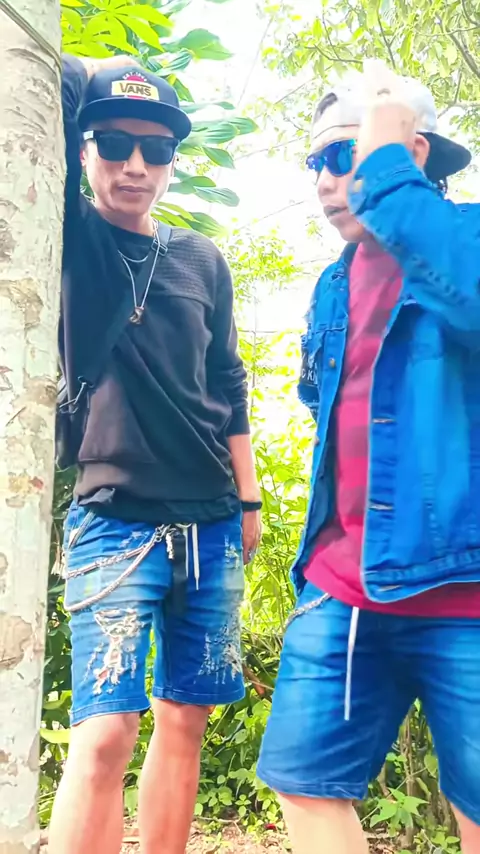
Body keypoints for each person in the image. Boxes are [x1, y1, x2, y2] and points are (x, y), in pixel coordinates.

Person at [257, 61, 480, 854]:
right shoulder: (332, 283)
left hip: (466, 592)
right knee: (302, 782)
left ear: (408, 153)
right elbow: (328, 409)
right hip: (343, 588)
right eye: (315, 161)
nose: (326, 179)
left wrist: (388, 174)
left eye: (344, 155)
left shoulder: (467, 240)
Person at [49, 54, 262, 854]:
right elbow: (49, 82)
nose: (134, 164)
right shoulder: (71, 235)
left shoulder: (202, 258)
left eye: (156, 148)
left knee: (185, 719)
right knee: (104, 731)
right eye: (113, 143)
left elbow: (228, 382)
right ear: (84, 150)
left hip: (211, 519)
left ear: (173, 159)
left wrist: (248, 499)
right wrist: (104, 72)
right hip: (113, 518)